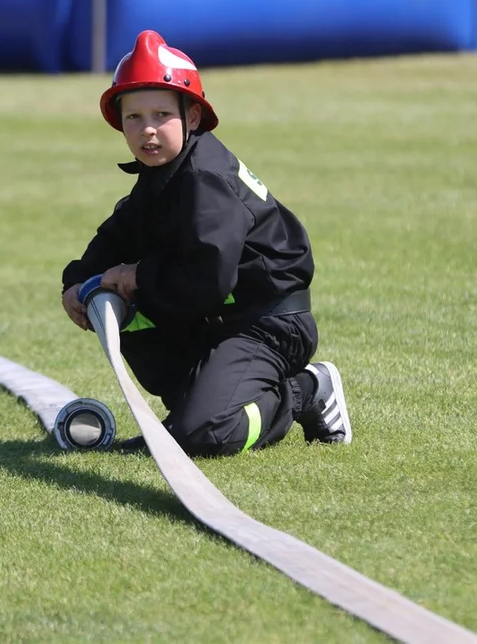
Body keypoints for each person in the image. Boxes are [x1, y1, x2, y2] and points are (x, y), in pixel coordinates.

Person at [61, 30, 352, 458]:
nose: (147, 131)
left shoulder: (204, 180)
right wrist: (77, 283)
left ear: (193, 116)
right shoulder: (161, 177)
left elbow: (206, 280)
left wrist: (136, 275)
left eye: (162, 114)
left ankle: (305, 391)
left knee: (206, 434)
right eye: (134, 118)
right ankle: (193, 407)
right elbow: (114, 237)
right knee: (117, 306)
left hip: (267, 325)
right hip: (218, 321)